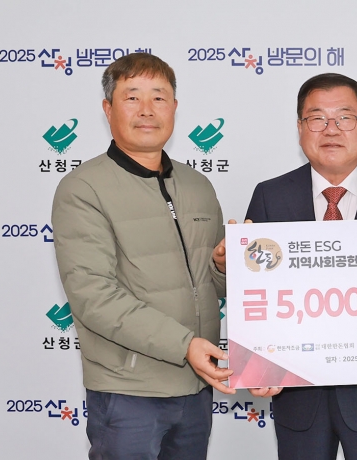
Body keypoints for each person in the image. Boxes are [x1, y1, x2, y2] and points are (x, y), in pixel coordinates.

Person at [52, 53, 235, 460]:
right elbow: (94, 295)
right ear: (108, 109)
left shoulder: (198, 185)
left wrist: (224, 266)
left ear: (174, 107)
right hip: (128, 392)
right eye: (133, 97)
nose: (147, 110)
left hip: (195, 387)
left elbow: (212, 285)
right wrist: (185, 344)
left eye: (159, 97)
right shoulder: (84, 189)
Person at [244, 73, 357, 460]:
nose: (331, 129)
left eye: (344, 117)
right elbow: (256, 294)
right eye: (317, 118)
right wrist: (258, 365)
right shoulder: (270, 197)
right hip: (297, 398)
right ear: (300, 128)